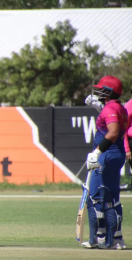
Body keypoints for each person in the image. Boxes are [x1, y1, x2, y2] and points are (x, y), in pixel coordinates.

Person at [82, 76, 127, 250]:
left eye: (102, 89)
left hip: (106, 155)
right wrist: (101, 107)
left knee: (95, 197)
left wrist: (97, 152)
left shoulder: (112, 109)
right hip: (117, 154)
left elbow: (113, 132)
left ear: (108, 92)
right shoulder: (119, 108)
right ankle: (116, 239)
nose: (98, 91)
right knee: (112, 198)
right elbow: (112, 118)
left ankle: (98, 239)